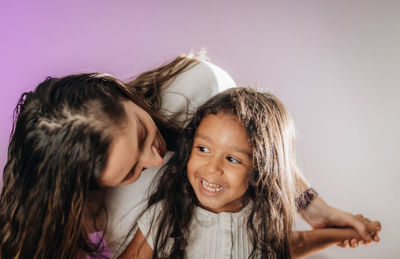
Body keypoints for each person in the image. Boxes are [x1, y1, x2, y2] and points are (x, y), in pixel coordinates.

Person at [0, 54, 379, 258]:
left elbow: (256, 146)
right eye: (130, 171)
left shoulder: (195, 85)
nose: (154, 160)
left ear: (118, 93)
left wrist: (315, 210)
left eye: (144, 133)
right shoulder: (79, 212)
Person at [120, 88, 381, 259]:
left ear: (260, 169)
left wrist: (348, 232)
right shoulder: (165, 216)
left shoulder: (262, 217)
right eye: (203, 149)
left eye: (232, 158)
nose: (212, 168)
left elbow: (294, 244)